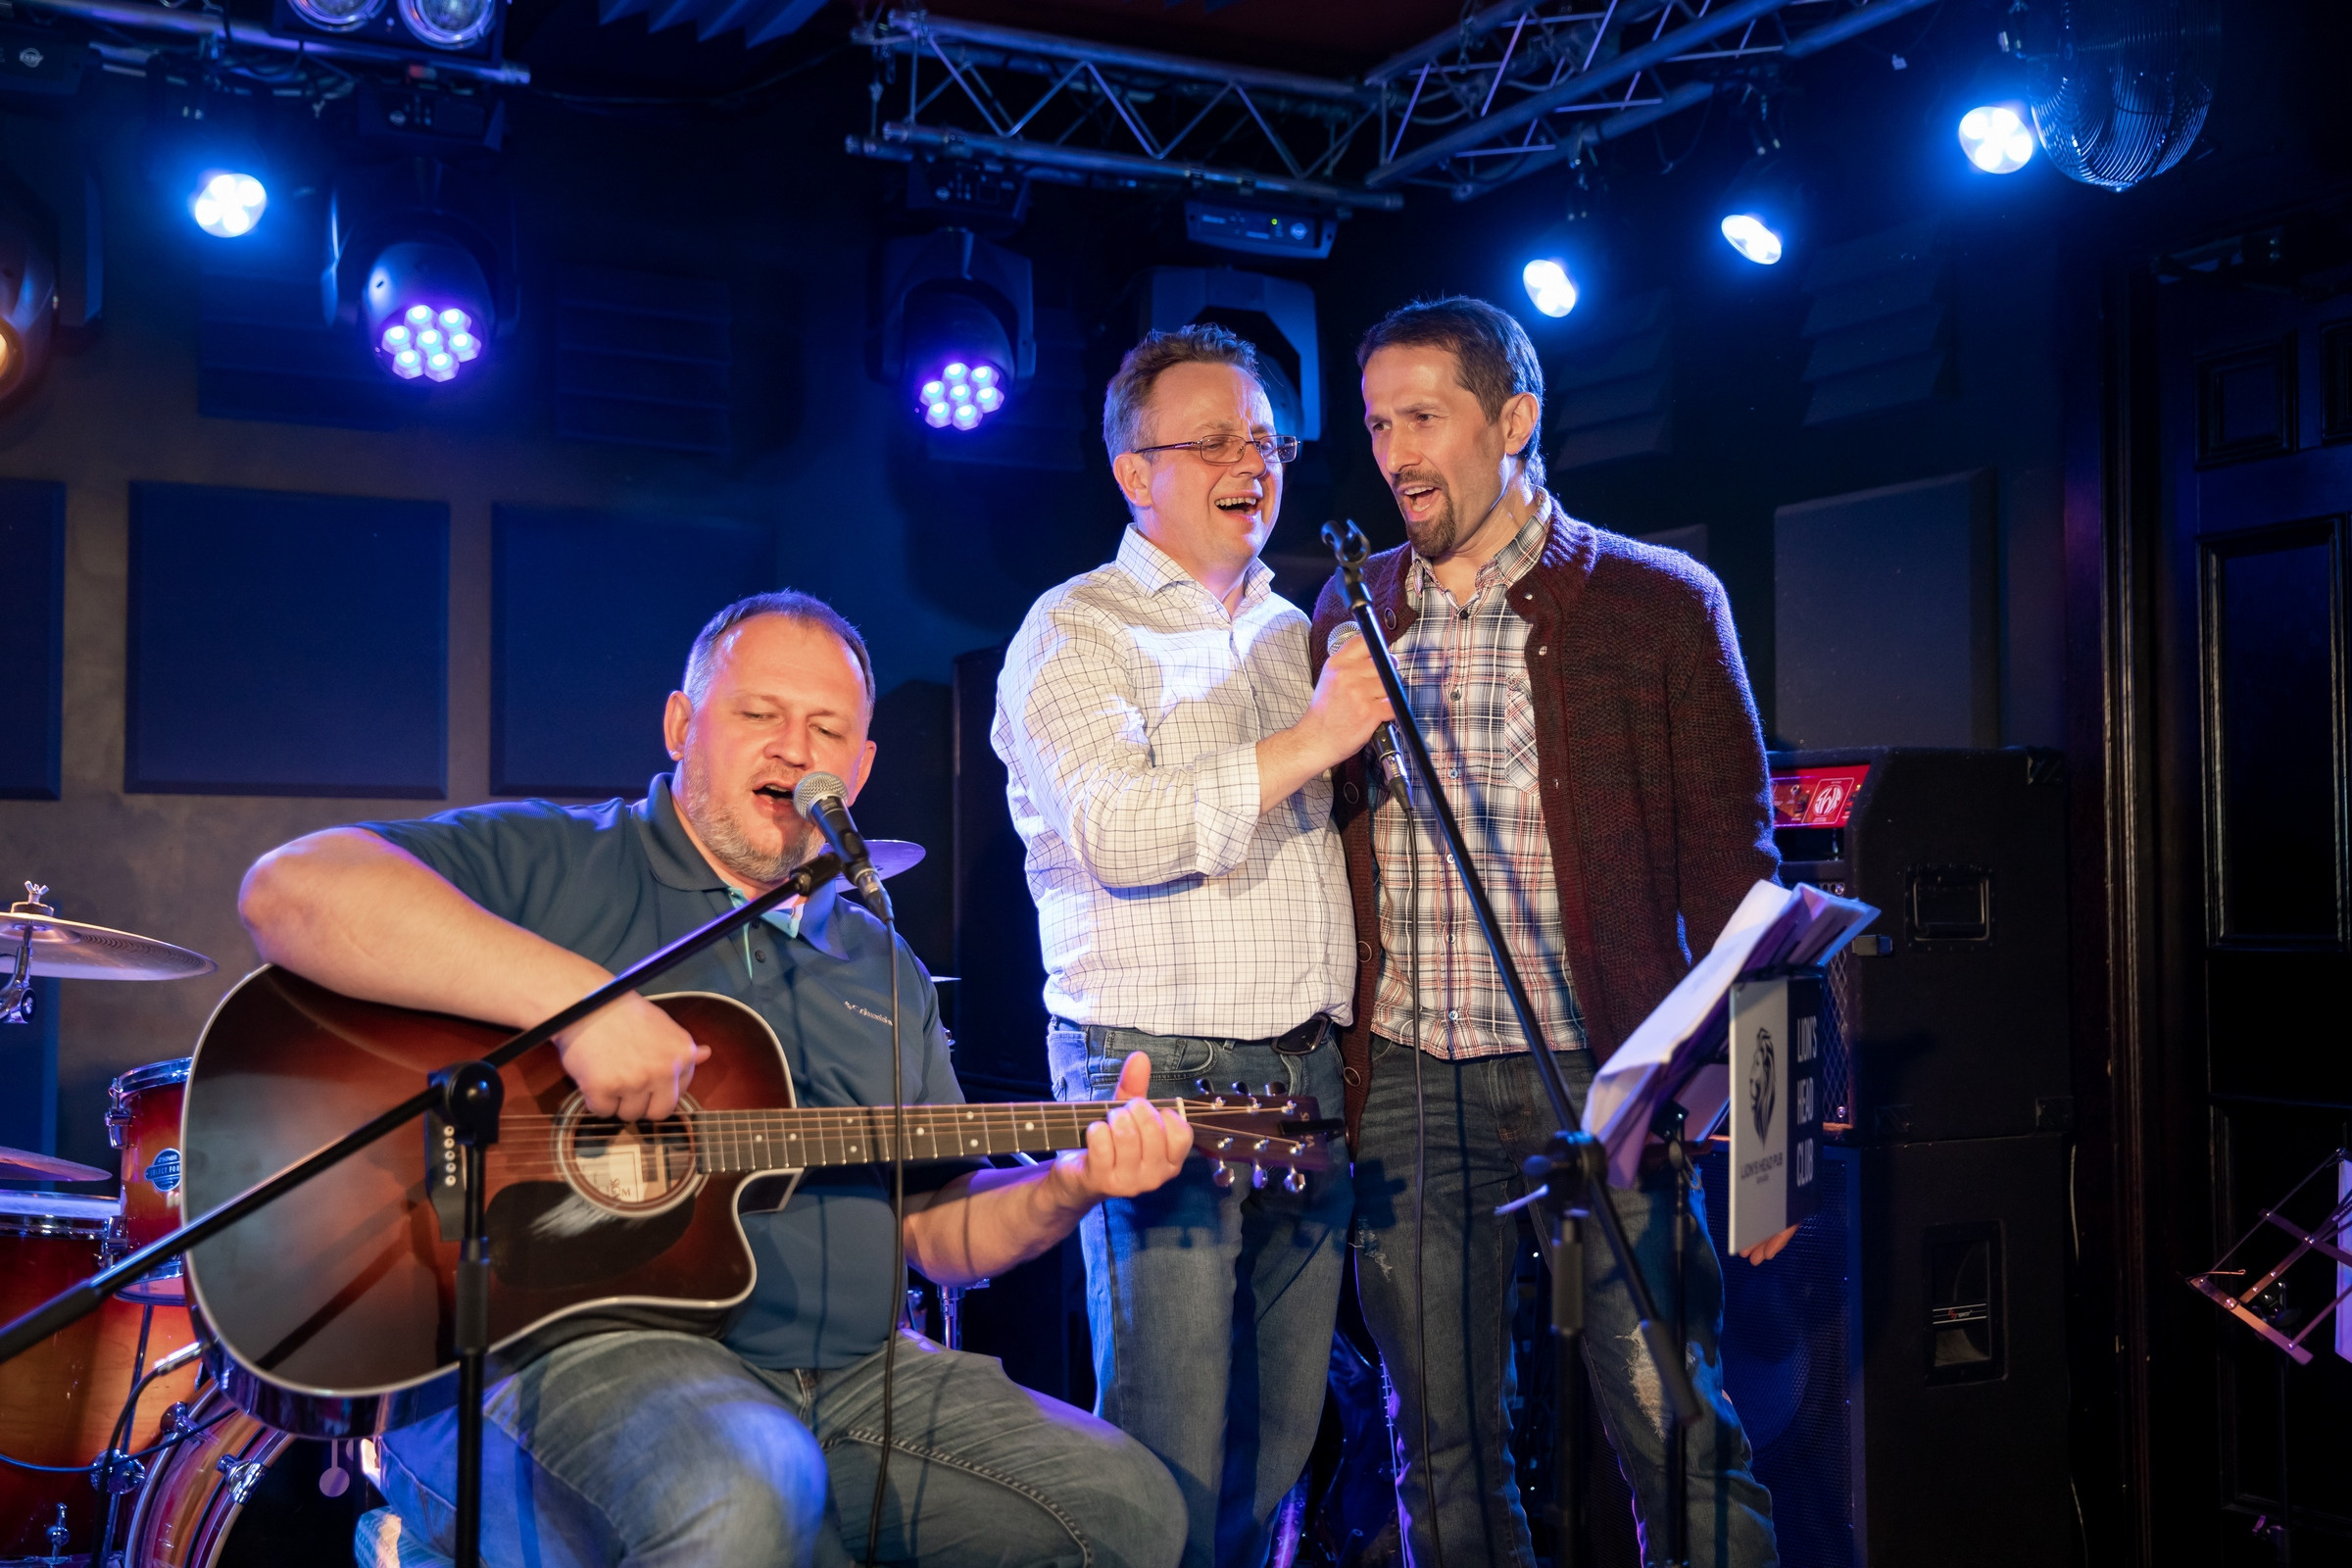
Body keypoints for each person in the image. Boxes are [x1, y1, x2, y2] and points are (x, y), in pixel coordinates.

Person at [237, 590, 1193, 1568]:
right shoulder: (566, 858)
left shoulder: (884, 963)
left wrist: (1071, 1183)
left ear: (860, 766)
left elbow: (937, 1231)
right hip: (574, 1351)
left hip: (855, 1380)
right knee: (750, 1491)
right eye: (757, 714)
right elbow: (293, 888)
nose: (793, 748)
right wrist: (583, 1006)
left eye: (828, 728)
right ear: (681, 724)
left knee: (1125, 1509)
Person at [1306, 297, 1789, 1568]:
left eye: (1425, 417)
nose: (1396, 452)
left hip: (1600, 1075)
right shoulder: (1346, 617)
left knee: (1674, 1424)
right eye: (1375, 424)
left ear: (1513, 420)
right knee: (1440, 1448)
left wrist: (1771, 1140)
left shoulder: (1659, 603)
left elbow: (1746, 880)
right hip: (1405, 1079)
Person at [992, 324, 1392, 1568]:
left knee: (1276, 1441)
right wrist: (1320, 737)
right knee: (1162, 1447)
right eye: (1211, 439)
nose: (1250, 462)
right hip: (1153, 1070)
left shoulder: (1301, 630)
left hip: (1305, 1065)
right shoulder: (1077, 630)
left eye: (1266, 440)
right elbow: (1118, 827)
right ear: (1133, 471)